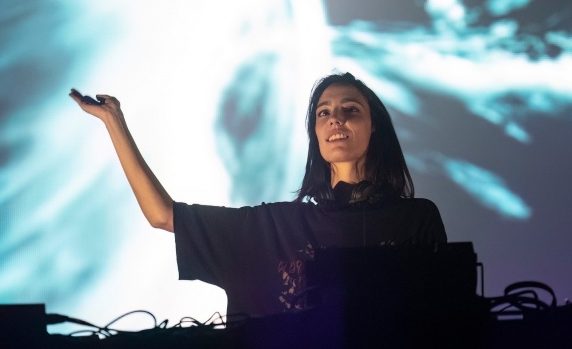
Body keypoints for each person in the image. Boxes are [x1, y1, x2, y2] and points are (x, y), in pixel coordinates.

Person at [70, 72, 446, 317]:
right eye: (323, 113)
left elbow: (444, 321)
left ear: (373, 127)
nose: (336, 119)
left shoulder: (416, 219)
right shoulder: (274, 226)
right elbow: (163, 215)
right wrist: (114, 123)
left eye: (351, 110)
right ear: (315, 134)